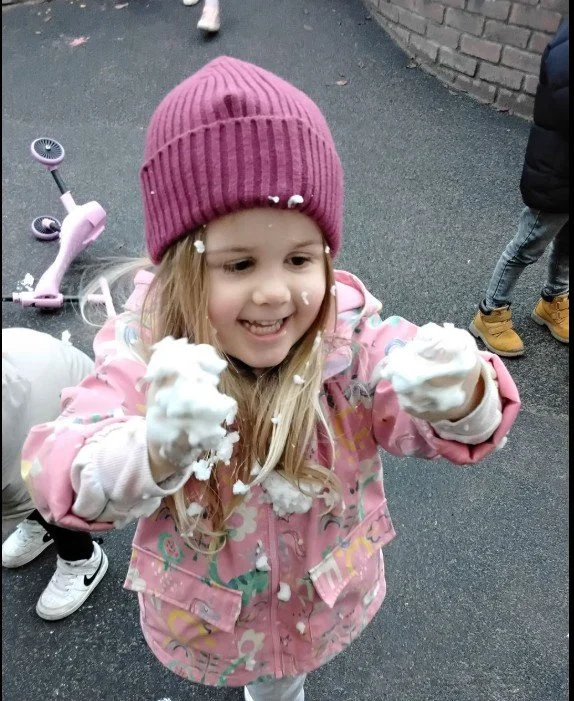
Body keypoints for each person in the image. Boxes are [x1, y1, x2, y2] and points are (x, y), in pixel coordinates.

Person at [22, 57, 520, 700]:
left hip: (319, 601)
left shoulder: (352, 336)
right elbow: (63, 463)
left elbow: (421, 405)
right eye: (237, 263)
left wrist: (465, 394)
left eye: (298, 258)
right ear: (181, 268)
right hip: (209, 617)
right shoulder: (148, 356)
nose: (274, 291)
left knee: (283, 692)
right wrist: (150, 447)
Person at [470, 19, 569, 357]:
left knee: (568, 243)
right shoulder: (565, 46)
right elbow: (562, 92)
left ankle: (553, 300)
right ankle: (490, 311)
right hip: (556, 173)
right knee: (528, 244)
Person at [2, 328, 108, 621]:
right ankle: (41, 525)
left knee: (45, 481)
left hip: (66, 392)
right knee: (24, 481)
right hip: (24, 391)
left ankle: (83, 559)